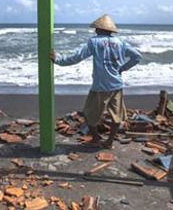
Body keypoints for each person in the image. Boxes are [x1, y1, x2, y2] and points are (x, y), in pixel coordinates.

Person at [50, 14, 142, 149]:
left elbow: (77, 57)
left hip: (100, 86)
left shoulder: (94, 42)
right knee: (116, 116)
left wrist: (59, 60)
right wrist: (122, 68)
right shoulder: (121, 43)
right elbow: (137, 57)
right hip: (116, 84)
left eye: (96, 28)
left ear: (99, 29)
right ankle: (109, 142)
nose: (95, 31)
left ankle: (96, 139)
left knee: (88, 113)